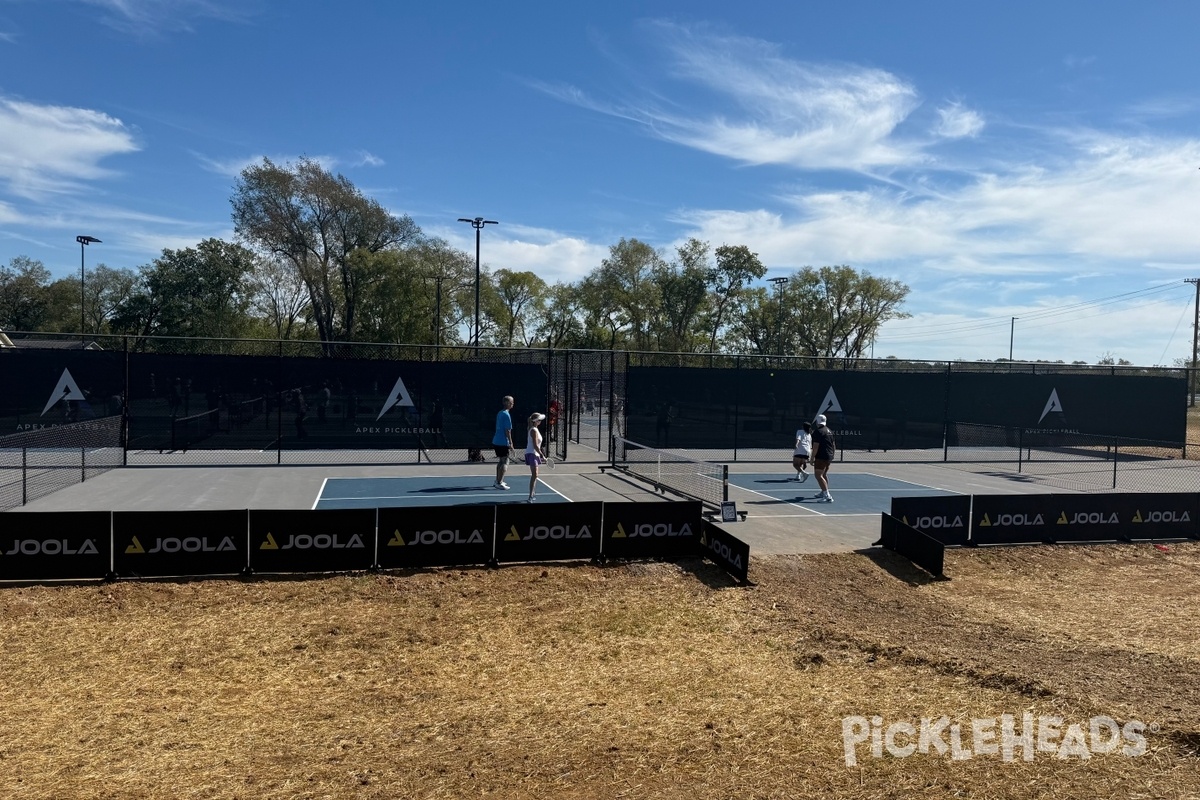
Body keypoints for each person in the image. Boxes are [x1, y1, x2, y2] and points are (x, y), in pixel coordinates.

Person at [492, 395, 515, 490]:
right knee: (505, 461)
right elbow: (508, 431)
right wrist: (511, 443)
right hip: (502, 442)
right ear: (507, 403)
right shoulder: (506, 415)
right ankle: (499, 482)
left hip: (496, 441)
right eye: (511, 402)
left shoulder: (500, 413)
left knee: (501, 461)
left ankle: (497, 480)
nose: (513, 404)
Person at [811, 414, 836, 502]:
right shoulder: (829, 431)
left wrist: (812, 458)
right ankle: (823, 492)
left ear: (817, 422)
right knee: (824, 474)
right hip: (828, 456)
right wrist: (832, 455)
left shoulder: (817, 432)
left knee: (818, 475)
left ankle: (827, 495)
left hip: (821, 456)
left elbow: (815, 447)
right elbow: (833, 445)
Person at [524, 412, 547, 502]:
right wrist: (542, 455)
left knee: (535, 475)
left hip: (534, 454)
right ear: (536, 421)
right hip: (532, 453)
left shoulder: (535, 429)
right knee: (535, 475)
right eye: (539, 420)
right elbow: (535, 445)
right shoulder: (533, 430)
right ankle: (530, 496)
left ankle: (532, 494)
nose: (541, 421)